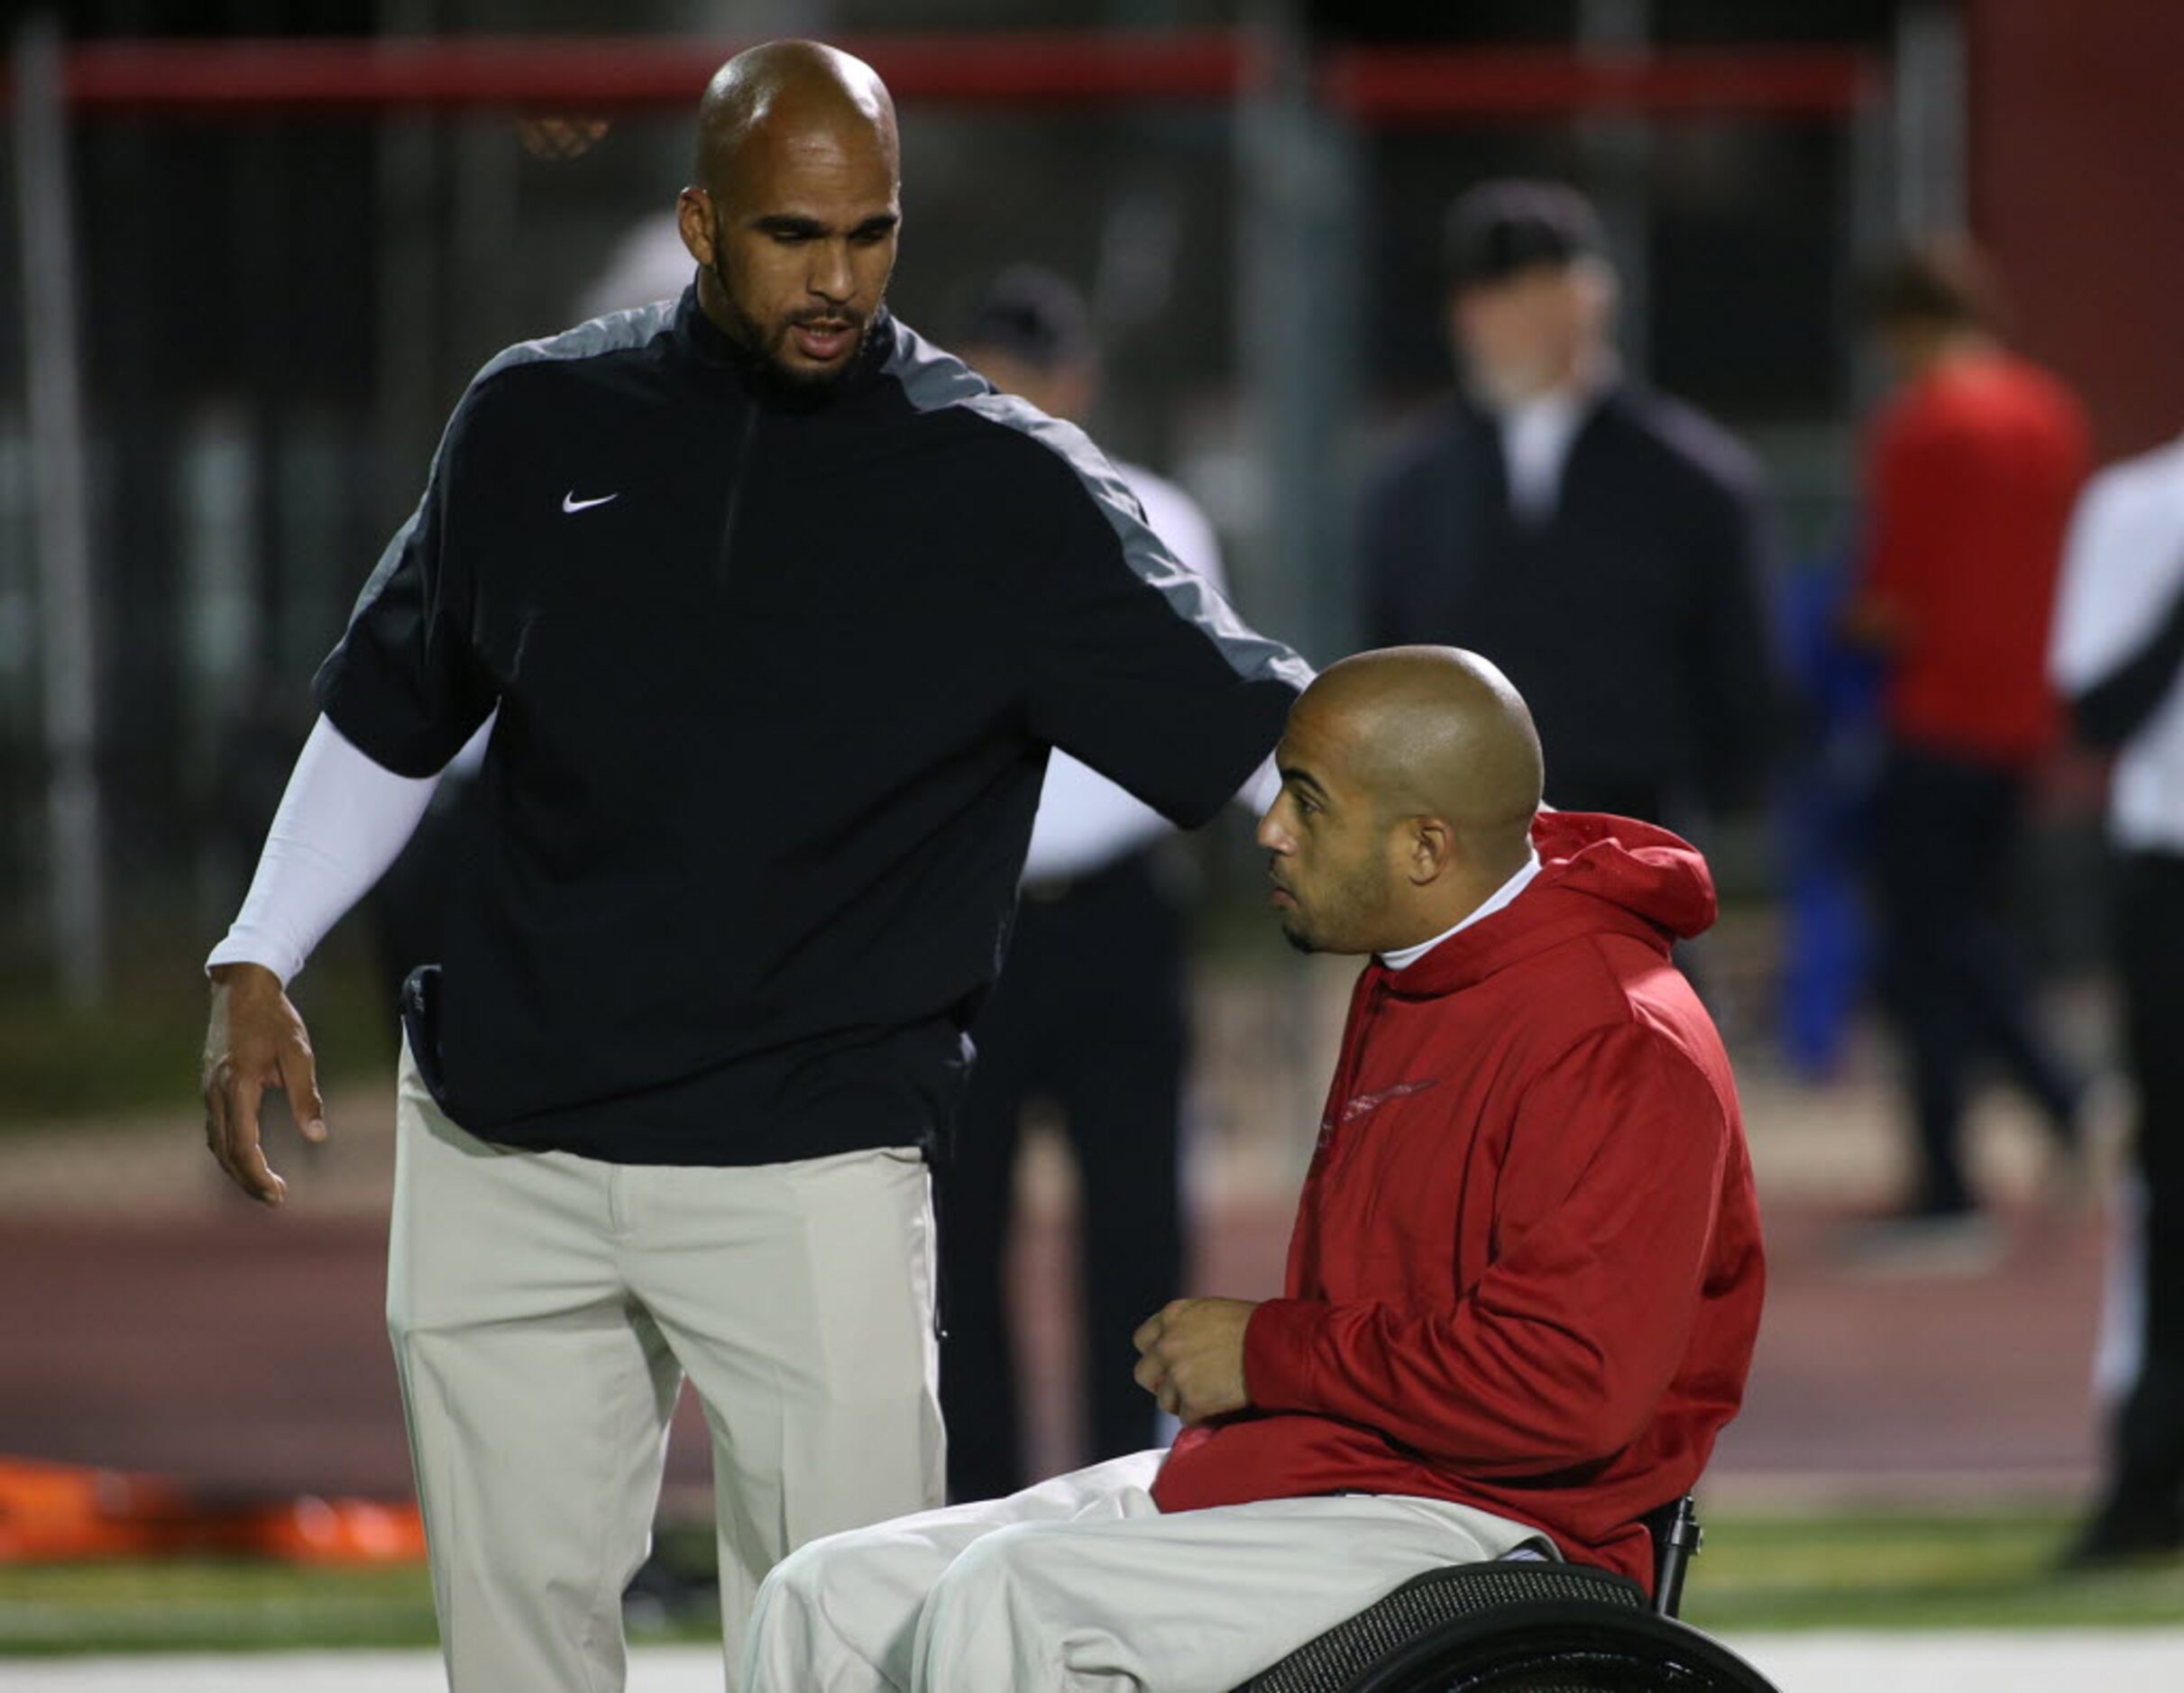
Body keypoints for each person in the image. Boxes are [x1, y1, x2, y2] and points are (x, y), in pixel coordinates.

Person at [196, 41, 1308, 1692]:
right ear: (701, 223)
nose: (838, 280)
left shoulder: (1002, 482)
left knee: (848, 1663)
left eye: (872, 235)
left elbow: (1266, 745)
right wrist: (256, 949)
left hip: (805, 1164)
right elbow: (389, 710)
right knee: (514, 1664)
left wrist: (1520, 887)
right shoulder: (530, 416)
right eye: (795, 235)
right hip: (508, 1146)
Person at [742, 647, 1766, 1692]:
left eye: (1307, 802)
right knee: (821, 1595)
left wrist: (1268, 1354)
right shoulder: (1428, 960)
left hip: (1496, 1520)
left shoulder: (1614, 1036)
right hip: (1335, 1469)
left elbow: (1568, 1391)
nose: (1268, 827)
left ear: (1425, 846)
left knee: (1017, 1602)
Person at [939, 265, 1226, 1500]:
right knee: (954, 1236)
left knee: (1136, 1224)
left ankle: (1132, 1488)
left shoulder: (1154, 512)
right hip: (964, 921)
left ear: (1076, 381)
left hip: (1114, 913)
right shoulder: (911, 518)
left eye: (1026, 374)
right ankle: (975, 1497)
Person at [1360, 179, 1774, 831]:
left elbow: (1741, 678)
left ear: (1591, 300)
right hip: (1462, 845)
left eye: (1538, 291)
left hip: (1632, 834)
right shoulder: (1413, 485)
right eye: (1491, 295)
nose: (1510, 318)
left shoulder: (1689, 477)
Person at [1842, 239, 2090, 1256]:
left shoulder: (1921, 428)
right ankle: (2052, 1101)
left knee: (1929, 953)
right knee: (1976, 933)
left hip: (1934, 718)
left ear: (1903, 327)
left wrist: (1841, 629)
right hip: (2022, 720)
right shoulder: (2049, 416)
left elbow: (1891, 602)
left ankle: (1960, 1169)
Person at [2050, 427, 2184, 1566]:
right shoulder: (2137, 505)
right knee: (2171, 1184)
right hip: (2172, 874)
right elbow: (2092, 710)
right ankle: (2151, 1474)